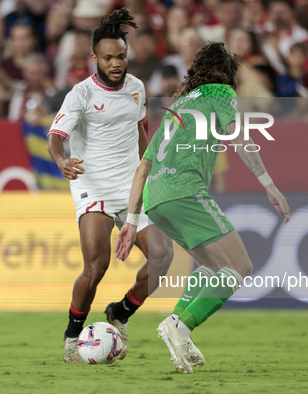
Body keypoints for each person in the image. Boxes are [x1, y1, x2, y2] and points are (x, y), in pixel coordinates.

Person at [114, 42, 290, 374]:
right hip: (185, 191)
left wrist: (132, 221)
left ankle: (178, 327)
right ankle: (179, 325)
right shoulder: (222, 93)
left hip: (157, 200)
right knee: (240, 267)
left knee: (211, 266)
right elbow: (239, 138)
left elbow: (142, 168)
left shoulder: (178, 105)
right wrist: (268, 183)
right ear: (228, 73)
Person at [46, 8, 171, 364]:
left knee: (163, 258)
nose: (116, 63)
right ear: (94, 58)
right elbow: (56, 136)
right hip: (94, 184)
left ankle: (120, 311)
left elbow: (140, 128)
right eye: (108, 58)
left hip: (131, 185)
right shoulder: (81, 94)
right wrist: (61, 160)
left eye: (121, 56)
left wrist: (150, 167)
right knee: (97, 266)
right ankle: (73, 335)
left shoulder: (137, 88)